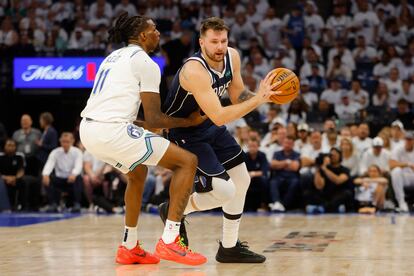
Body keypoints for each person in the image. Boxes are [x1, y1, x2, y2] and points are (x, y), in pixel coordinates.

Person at [79, 12, 207, 266]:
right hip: (112, 131)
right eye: (154, 28)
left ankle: (129, 246)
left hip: (89, 130)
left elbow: (124, 112)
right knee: (187, 162)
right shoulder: (146, 62)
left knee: (137, 173)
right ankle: (170, 240)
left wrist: (143, 127)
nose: (158, 33)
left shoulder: (112, 57)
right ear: (142, 35)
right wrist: (188, 122)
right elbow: (156, 120)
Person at [159, 17, 278, 263]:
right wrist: (259, 101)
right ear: (202, 43)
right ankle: (174, 210)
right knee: (224, 190)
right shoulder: (194, 70)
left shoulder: (232, 57)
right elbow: (221, 115)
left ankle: (229, 247)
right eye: (214, 42)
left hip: (209, 126)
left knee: (241, 180)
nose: (220, 47)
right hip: (184, 133)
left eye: (223, 40)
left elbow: (237, 96)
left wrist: (264, 95)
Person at [42, 133, 83, 213]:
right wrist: (45, 174)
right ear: (60, 142)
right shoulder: (55, 152)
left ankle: (76, 204)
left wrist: (74, 174)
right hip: (59, 179)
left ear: (72, 141)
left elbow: (78, 166)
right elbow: (49, 164)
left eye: (67, 141)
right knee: (46, 179)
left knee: (78, 178)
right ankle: (53, 204)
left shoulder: (77, 152)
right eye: (63, 141)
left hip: (71, 179)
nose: (65, 144)